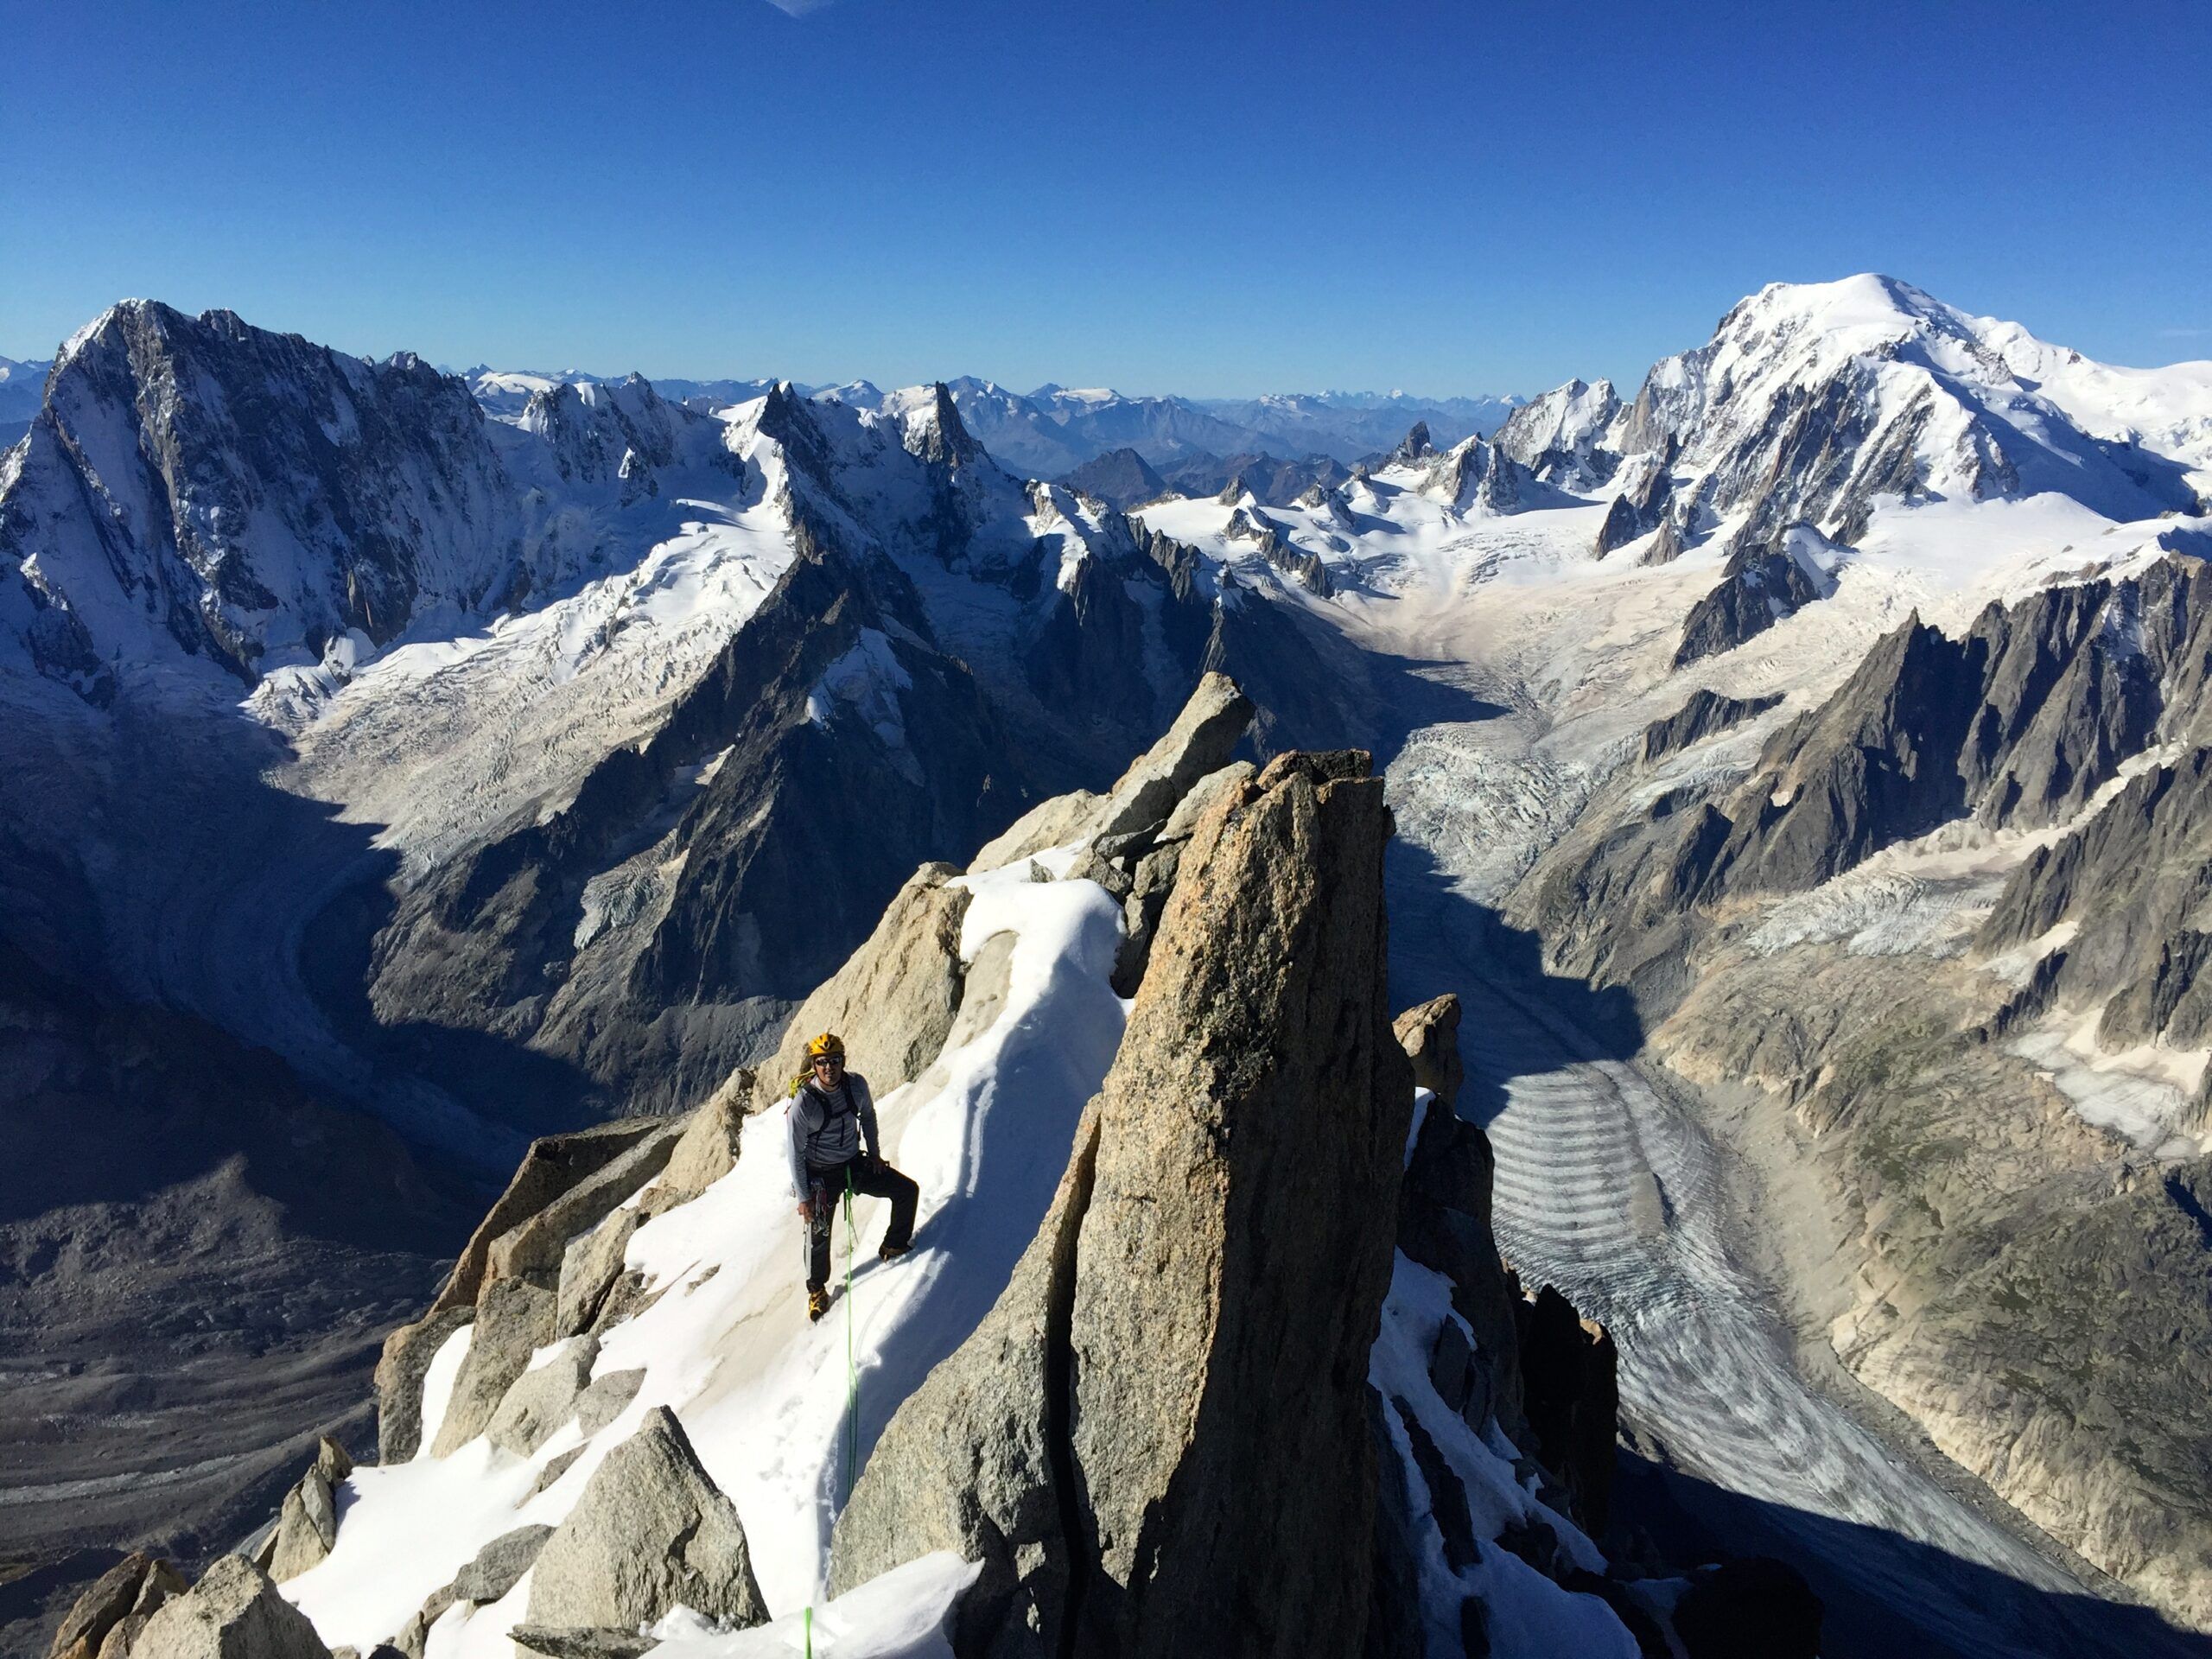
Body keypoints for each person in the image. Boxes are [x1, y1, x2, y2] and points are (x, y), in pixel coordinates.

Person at [786, 1032, 918, 1322]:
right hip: (820, 1176)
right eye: (822, 1062)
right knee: (818, 1235)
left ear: (842, 1061)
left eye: (834, 1061)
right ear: (814, 1065)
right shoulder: (803, 1104)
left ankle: (894, 1245)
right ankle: (816, 1290)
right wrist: (804, 1197)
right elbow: (794, 1153)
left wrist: (874, 1155)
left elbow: (868, 1116)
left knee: (906, 1191)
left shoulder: (856, 1086)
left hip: (852, 1164)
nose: (829, 1067)